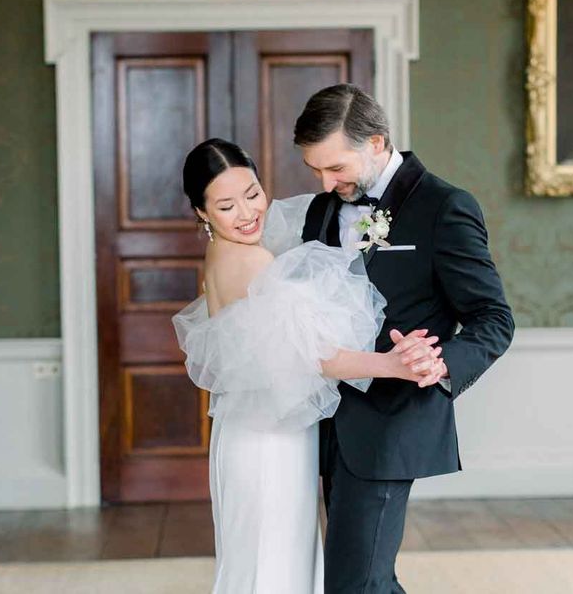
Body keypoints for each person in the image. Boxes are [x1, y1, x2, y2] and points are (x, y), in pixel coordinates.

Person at [172, 138, 440, 594]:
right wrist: (392, 364)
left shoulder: (223, 254)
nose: (247, 213)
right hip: (268, 440)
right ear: (202, 213)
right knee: (275, 567)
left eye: (252, 193)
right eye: (225, 205)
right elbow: (314, 356)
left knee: (261, 563)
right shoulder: (251, 260)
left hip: (252, 429)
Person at [296, 84, 514, 593]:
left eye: (336, 168)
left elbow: (493, 317)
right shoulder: (322, 209)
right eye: (316, 171)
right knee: (362, 577)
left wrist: (441, 364)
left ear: (375, 142)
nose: (326, 183)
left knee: (355, 582)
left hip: (392, 419)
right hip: (324, 418)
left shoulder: (445, 207)